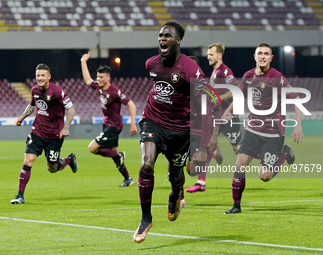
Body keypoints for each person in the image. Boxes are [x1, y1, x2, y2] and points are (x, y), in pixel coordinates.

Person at [133, 21, 212, 243]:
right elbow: (157, 89)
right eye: (160, 35)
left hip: (180, 129)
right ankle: (146, 218)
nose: (162, 39)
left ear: (178, 40)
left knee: (174, 174)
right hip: (153, 121)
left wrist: (201, 146)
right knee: (147, 163)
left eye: (167, 35)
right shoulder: (151, 64)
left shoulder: (191, 70)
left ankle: (176, 193)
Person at [222, 43, 304, 214]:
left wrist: (297, 125)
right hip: (252, 130)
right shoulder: (248, 76)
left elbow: (296, 98)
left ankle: (285, 153)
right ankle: (236, 206)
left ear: (271, 58)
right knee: (239, 165)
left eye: (266, 54)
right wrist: (228, 112)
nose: (263, 56)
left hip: (273, 133)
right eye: (260, 53)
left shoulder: (277, 77)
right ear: (255, 56)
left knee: (264, 177)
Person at [10, 63, 78, 204]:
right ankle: (19, 195)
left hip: (54, 136)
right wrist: (21, 118)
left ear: (49, 76)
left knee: (52, 168)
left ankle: (69, 160)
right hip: (37, 132)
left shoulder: (57, 92)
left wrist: (66, 127)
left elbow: (71, 109)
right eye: (37, 76)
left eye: (42, 75)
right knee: (28, 160)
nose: (39, 78)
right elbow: (32, 105)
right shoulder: (34, 90)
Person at [186, 42, 241, 193]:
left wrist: (218, 98)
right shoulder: (214, 73)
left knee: (240, 151)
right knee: (208, 145)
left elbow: (235, 89)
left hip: (229, 117)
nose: (208, 57)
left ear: (219, 55)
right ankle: (201, 182)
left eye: (211, 54)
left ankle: (277, 156)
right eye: (208, 54)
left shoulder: (224, 71)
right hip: (217, 115)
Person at [80, 52, 137, 187]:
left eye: (101, 77)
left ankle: (119, 156)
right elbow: (87, 80)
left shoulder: (114, 92)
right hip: (107, 125)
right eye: (98, 76)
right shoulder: (99, 87)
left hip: (114, 125)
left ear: (108, 78)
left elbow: (131, 104)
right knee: (113, 153)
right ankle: (128, 178)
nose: (98, 79)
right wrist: (83, 62)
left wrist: (133, 123)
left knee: (92, 148)